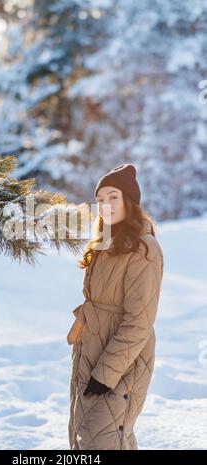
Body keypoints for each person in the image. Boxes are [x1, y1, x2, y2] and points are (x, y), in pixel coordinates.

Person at [67, 163, 164, 450]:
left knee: (104, 439)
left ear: (129, 202)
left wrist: (105, 373)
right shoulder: (102, 244)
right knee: (83, 436)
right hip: (89, 351)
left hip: (120, 362)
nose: (105, 205)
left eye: (113, 197)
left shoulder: (145, 249)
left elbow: (139, 322)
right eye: (100, 199)